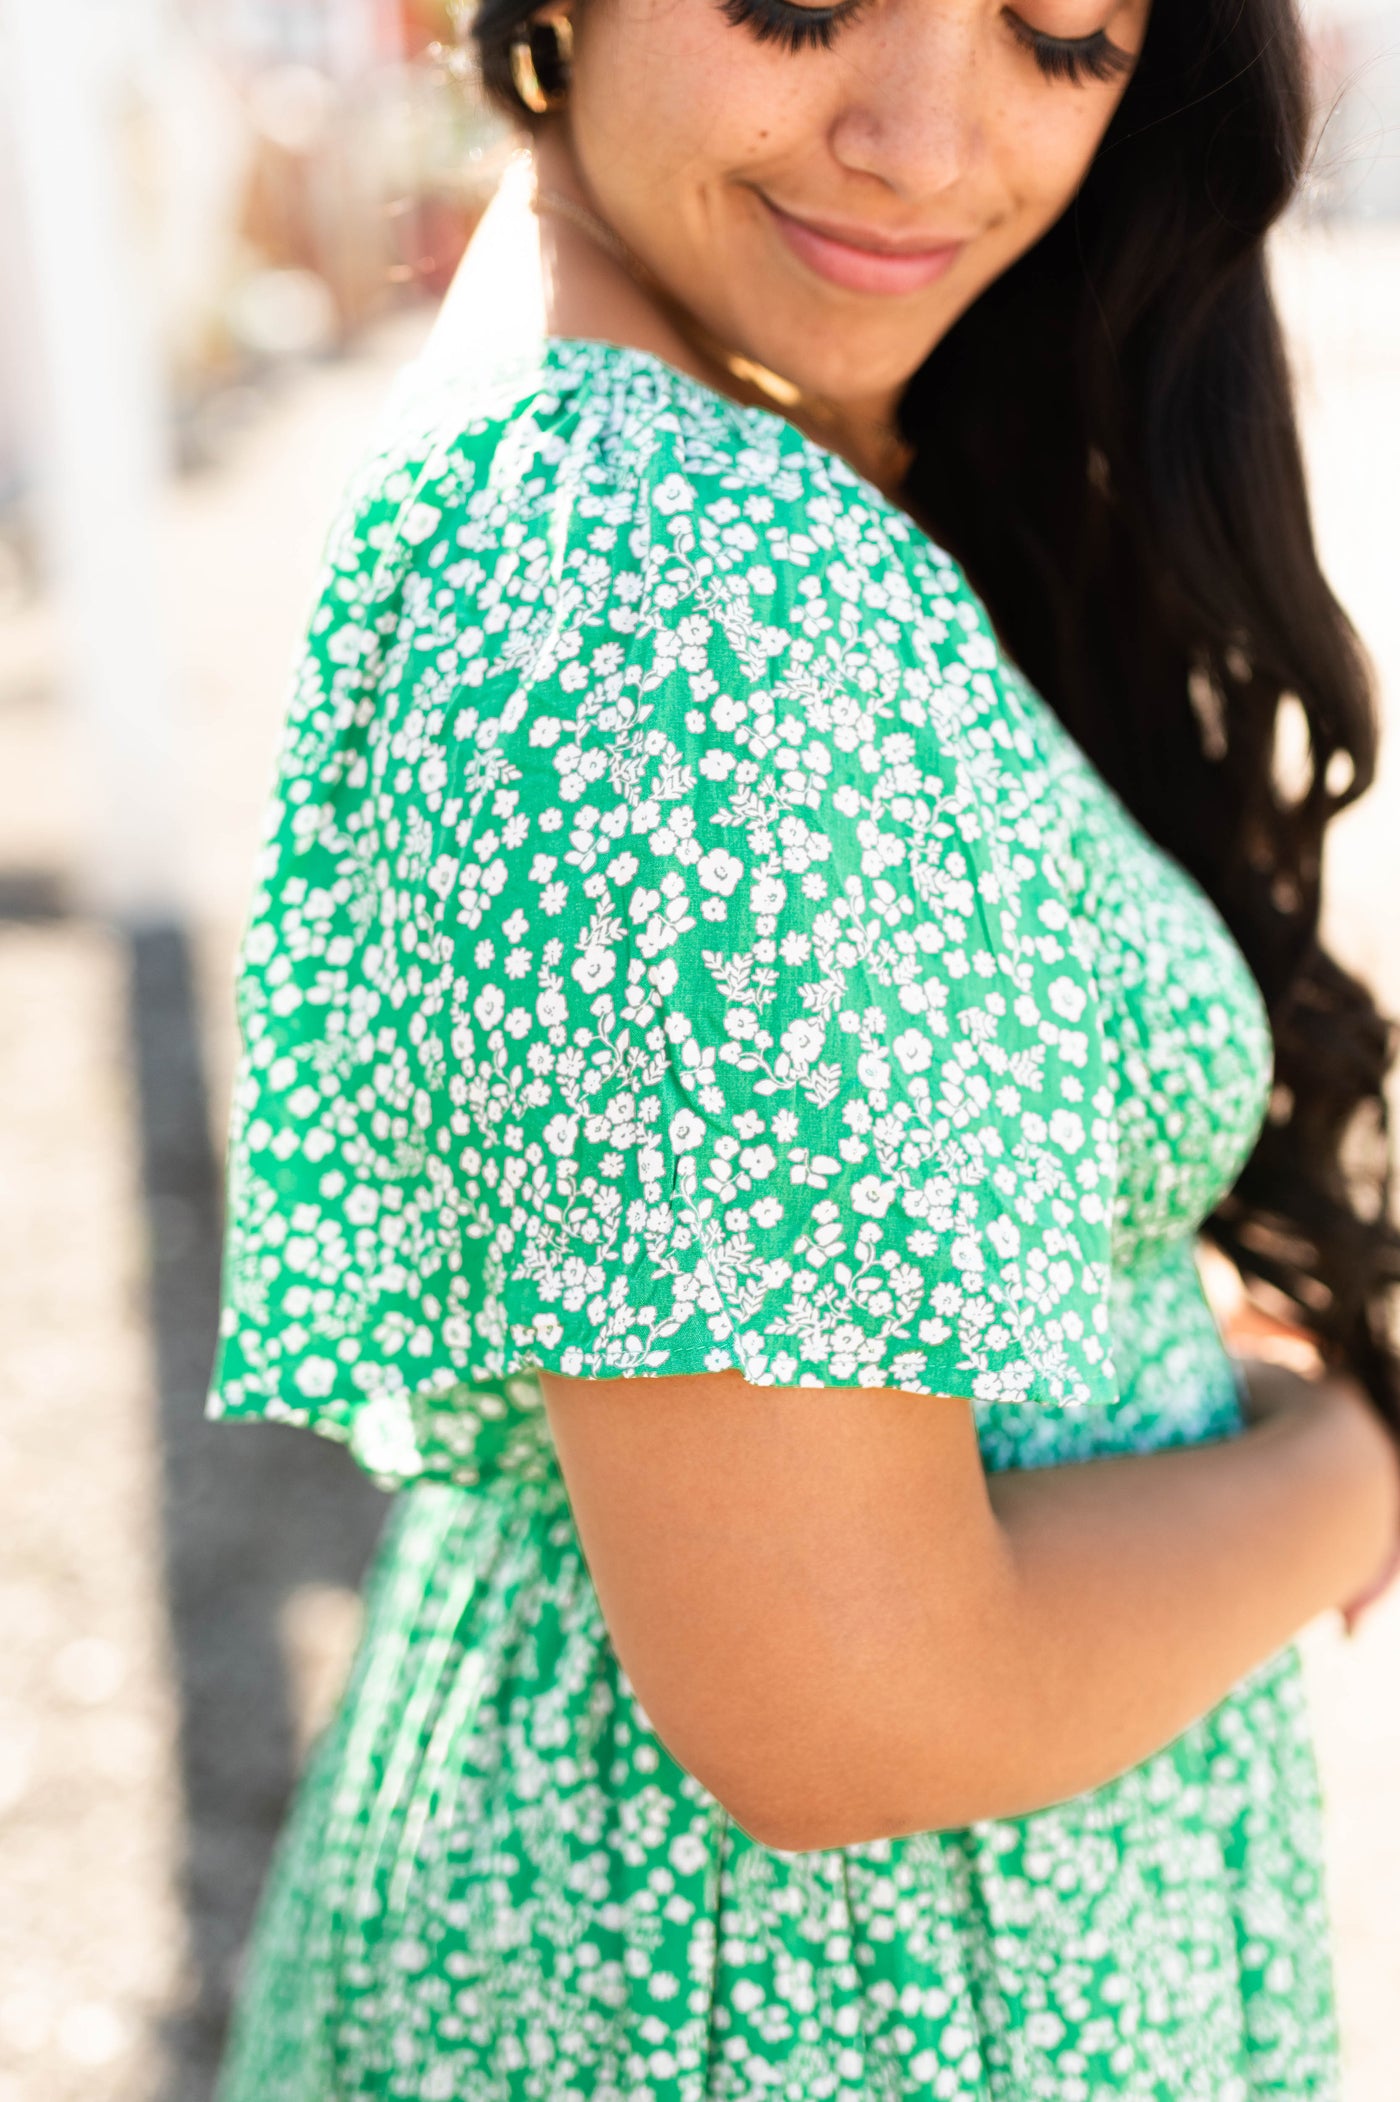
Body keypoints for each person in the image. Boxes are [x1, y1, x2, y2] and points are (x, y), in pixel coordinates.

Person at [203, 0, 1400, 2089]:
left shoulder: (665, 444)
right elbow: (856, 1708)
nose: (921, 143)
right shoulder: (663, 581)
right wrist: (1354, 1464)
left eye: (1060, 34)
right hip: (816, 2003)